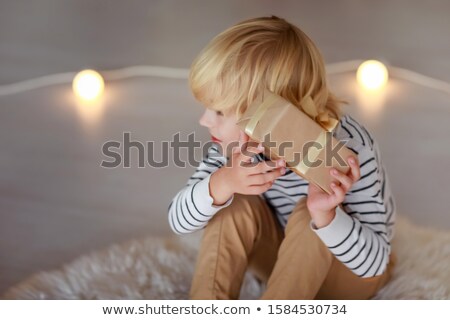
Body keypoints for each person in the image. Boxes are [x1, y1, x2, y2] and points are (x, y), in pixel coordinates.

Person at [167, 15, 397, 299]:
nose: (204, 121)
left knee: (308, 214)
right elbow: (178, 221)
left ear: (269, 113)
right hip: (280, 264)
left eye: (219, 112)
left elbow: (374, 264)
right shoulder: (231, 148)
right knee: (232, 201)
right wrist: (222, 183)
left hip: (346, 277)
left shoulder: (350, 148)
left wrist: (325, 216)